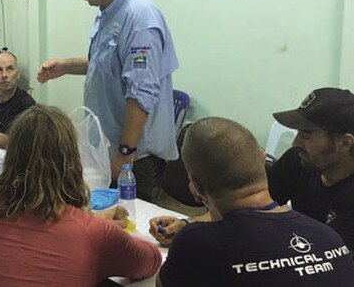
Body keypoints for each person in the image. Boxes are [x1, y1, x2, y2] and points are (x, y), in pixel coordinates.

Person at [0, 105, 161, 287]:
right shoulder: (92, 233)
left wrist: (93, 223)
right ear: (71, 161)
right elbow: (151, 260)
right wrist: (103, 230)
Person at [37, 0, 179, 201]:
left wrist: (124, 156)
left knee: (130, 228)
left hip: (135, 156)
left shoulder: (140, 19)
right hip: (108, 148)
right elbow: (107, 64)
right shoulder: (108, 13)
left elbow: (141, 93)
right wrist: (65, 67)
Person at [151, 117, 354, 287]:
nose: (295, 144)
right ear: (262, 158)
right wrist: (189, 222)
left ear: (194, 184)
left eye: (307, 134)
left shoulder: (197, 242)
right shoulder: (328, 237)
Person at [268, 87, 354, 252]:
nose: (295, 143)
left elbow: (333, 258)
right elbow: (256, 209)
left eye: (306, 135)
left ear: (345, 143)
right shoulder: (298, 161)